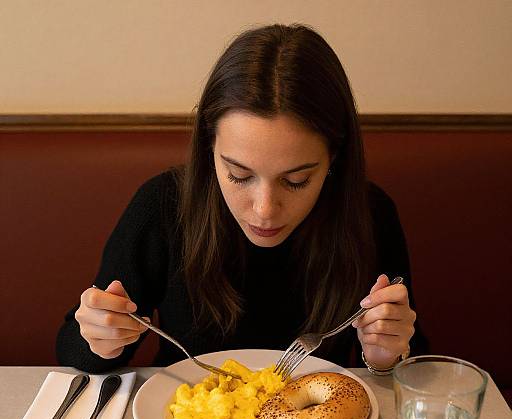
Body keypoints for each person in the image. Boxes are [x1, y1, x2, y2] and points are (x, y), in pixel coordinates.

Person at [56, 23, 428, 374]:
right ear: (209, 147)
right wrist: (99, 338)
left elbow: (415, 360)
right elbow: (73, 349)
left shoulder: (369, 214)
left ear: (334, 157)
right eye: (239, 175)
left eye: (296, 180)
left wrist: (383, 355)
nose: (265, 210)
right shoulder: (162, 206)